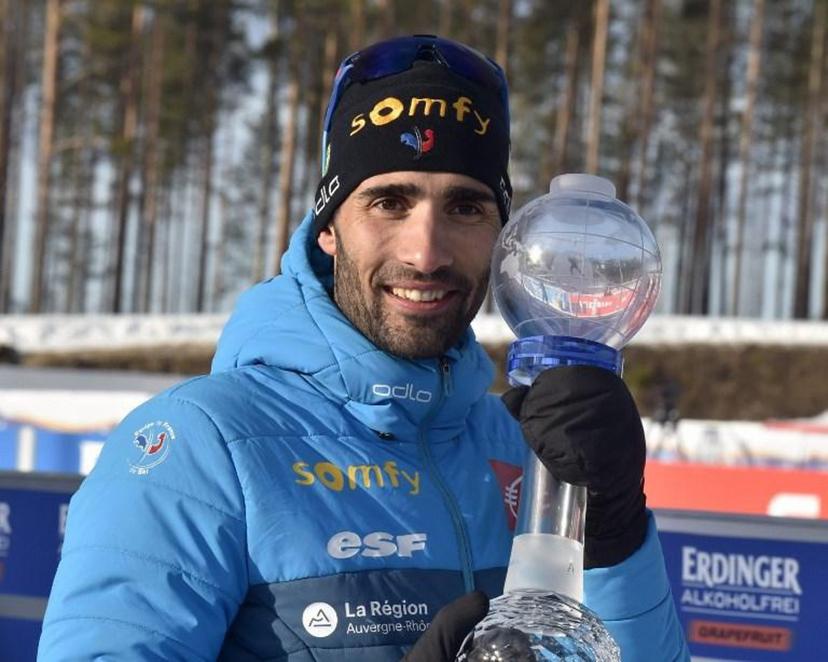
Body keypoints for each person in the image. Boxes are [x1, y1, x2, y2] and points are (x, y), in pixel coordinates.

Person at [39, 35, 689, 661]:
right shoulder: (198, 446)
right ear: (328, 227)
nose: (425, 253)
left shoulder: (525, 449)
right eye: (389, 202)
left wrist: (612, 537)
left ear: (502, 234)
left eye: (464, 208)